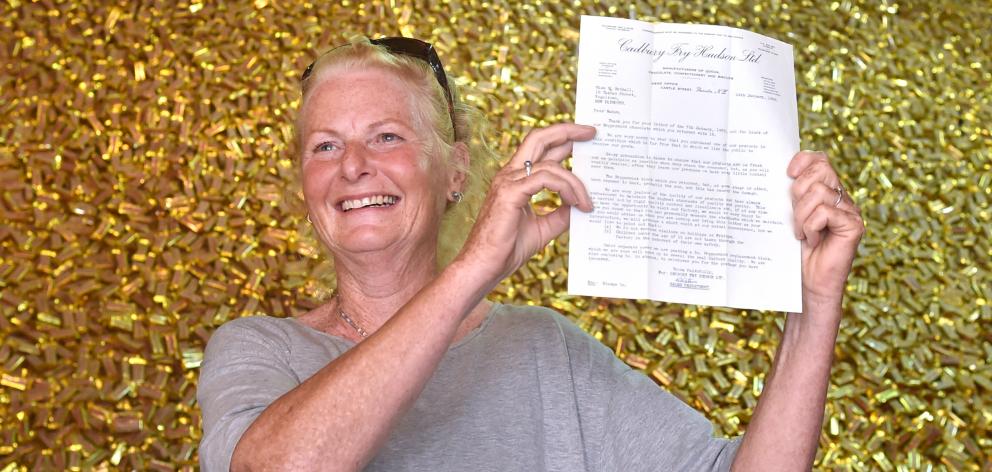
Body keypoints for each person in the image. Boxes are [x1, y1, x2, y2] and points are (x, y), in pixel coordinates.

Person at [197, 36, 864, 471]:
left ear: (457, 171)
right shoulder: (259, 350)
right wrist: (471, 271)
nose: (354, 168)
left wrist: (813, 306)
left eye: (387, 136)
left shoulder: (543, 350)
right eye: (325, 146)